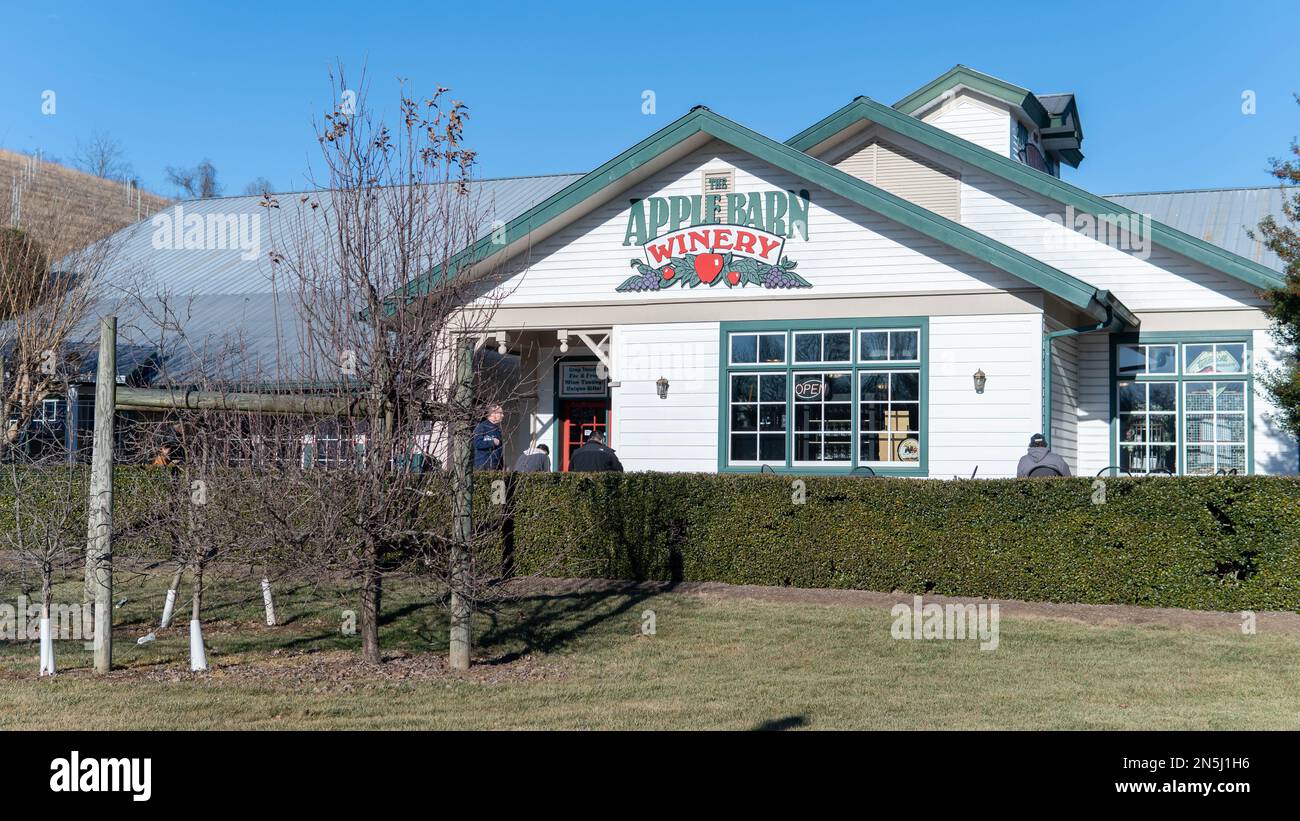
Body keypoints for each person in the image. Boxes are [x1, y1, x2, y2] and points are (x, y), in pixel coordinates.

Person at [473, 404, 506, 470]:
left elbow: (499, 449)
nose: (503, 415)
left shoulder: (497, 429)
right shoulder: (482, 427)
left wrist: (501, 466)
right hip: (483, 465)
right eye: (500, 413)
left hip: (495, 466)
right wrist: (492, 442)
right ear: (493, 414)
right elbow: (477, 443)